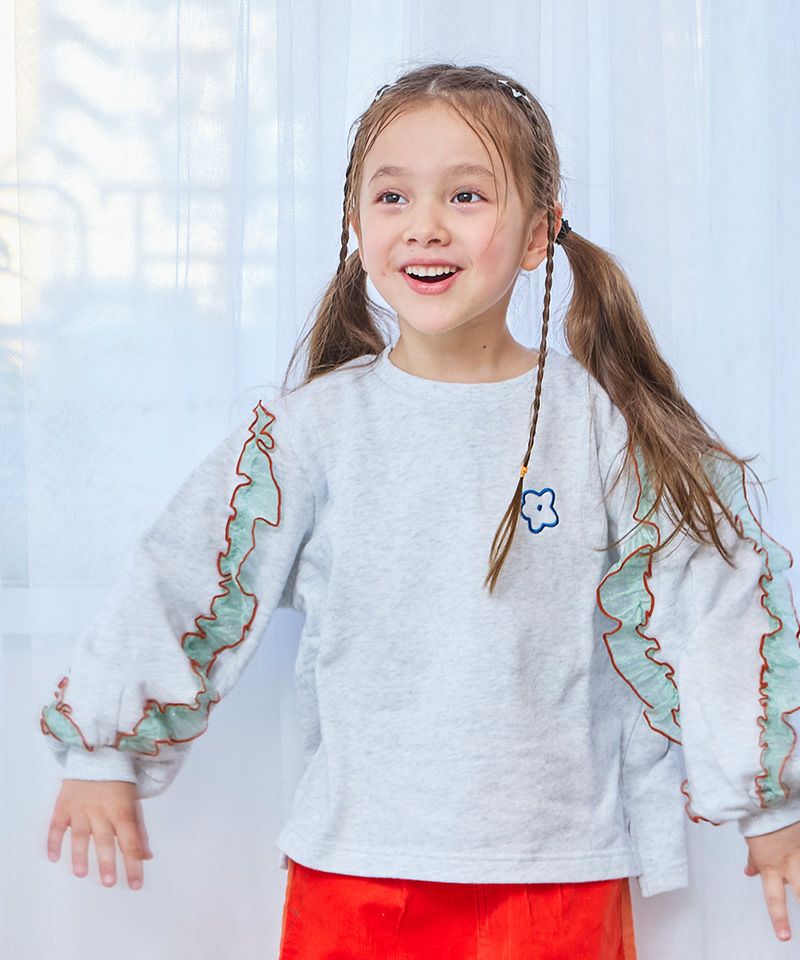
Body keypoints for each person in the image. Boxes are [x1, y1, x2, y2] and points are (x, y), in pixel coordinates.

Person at [40, 62, 800, 958]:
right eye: (392, 196)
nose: (425, 224)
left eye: (467, 195)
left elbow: (710, 596)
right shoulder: (315, 428)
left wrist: (769, 801)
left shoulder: (600, 424)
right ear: (358, 226)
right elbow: (187, 570)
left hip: (557, 869)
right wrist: (105, 745)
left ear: (538, 234)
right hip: (357, 866)